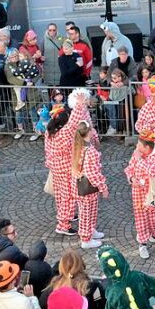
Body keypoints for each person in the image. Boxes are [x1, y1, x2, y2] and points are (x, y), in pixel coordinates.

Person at [45, 91, 95, 237]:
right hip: (66, 168)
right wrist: (80, 105)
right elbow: (74, 123)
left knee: (61, 195)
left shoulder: (50, 132)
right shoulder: (64, 133)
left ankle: (68, 216)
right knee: (67, 196)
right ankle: (63, 224)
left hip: (56, 168)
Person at [125, 129, 155, 260]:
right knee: (141, 217)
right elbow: (129, 168)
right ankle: (142, 243)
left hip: (153, 190)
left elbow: (153, 171)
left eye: (139, 145)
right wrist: (131, 178)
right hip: (138, 190)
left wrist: (140, 160)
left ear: (147, 147)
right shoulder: (137, 153)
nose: (137, 147)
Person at [72, 120, 108, 250]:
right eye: (92, 129)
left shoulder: (78, 146)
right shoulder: (90, 151)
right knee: (87, 212)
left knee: (88, 211)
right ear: (89, 133)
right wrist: (103, 188)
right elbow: (93, 173)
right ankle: (86, 238)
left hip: (80, 185)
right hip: (88, 187)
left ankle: (90, 231)